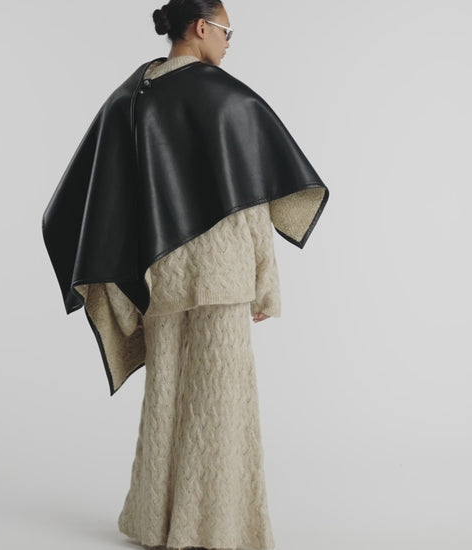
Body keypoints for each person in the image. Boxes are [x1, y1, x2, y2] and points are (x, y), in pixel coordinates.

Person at [42, 1, 329, 549]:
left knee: (165, 401)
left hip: (162, 277)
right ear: (201, 28)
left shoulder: (132, 96)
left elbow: (111, 200)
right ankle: (216, 529)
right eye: (226, 31)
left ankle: (155, 523)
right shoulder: (229, 98)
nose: (229, 43)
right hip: (223, 273)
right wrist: (266, 284)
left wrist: (124, 291)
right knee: (222, 403)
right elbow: (252, 203)